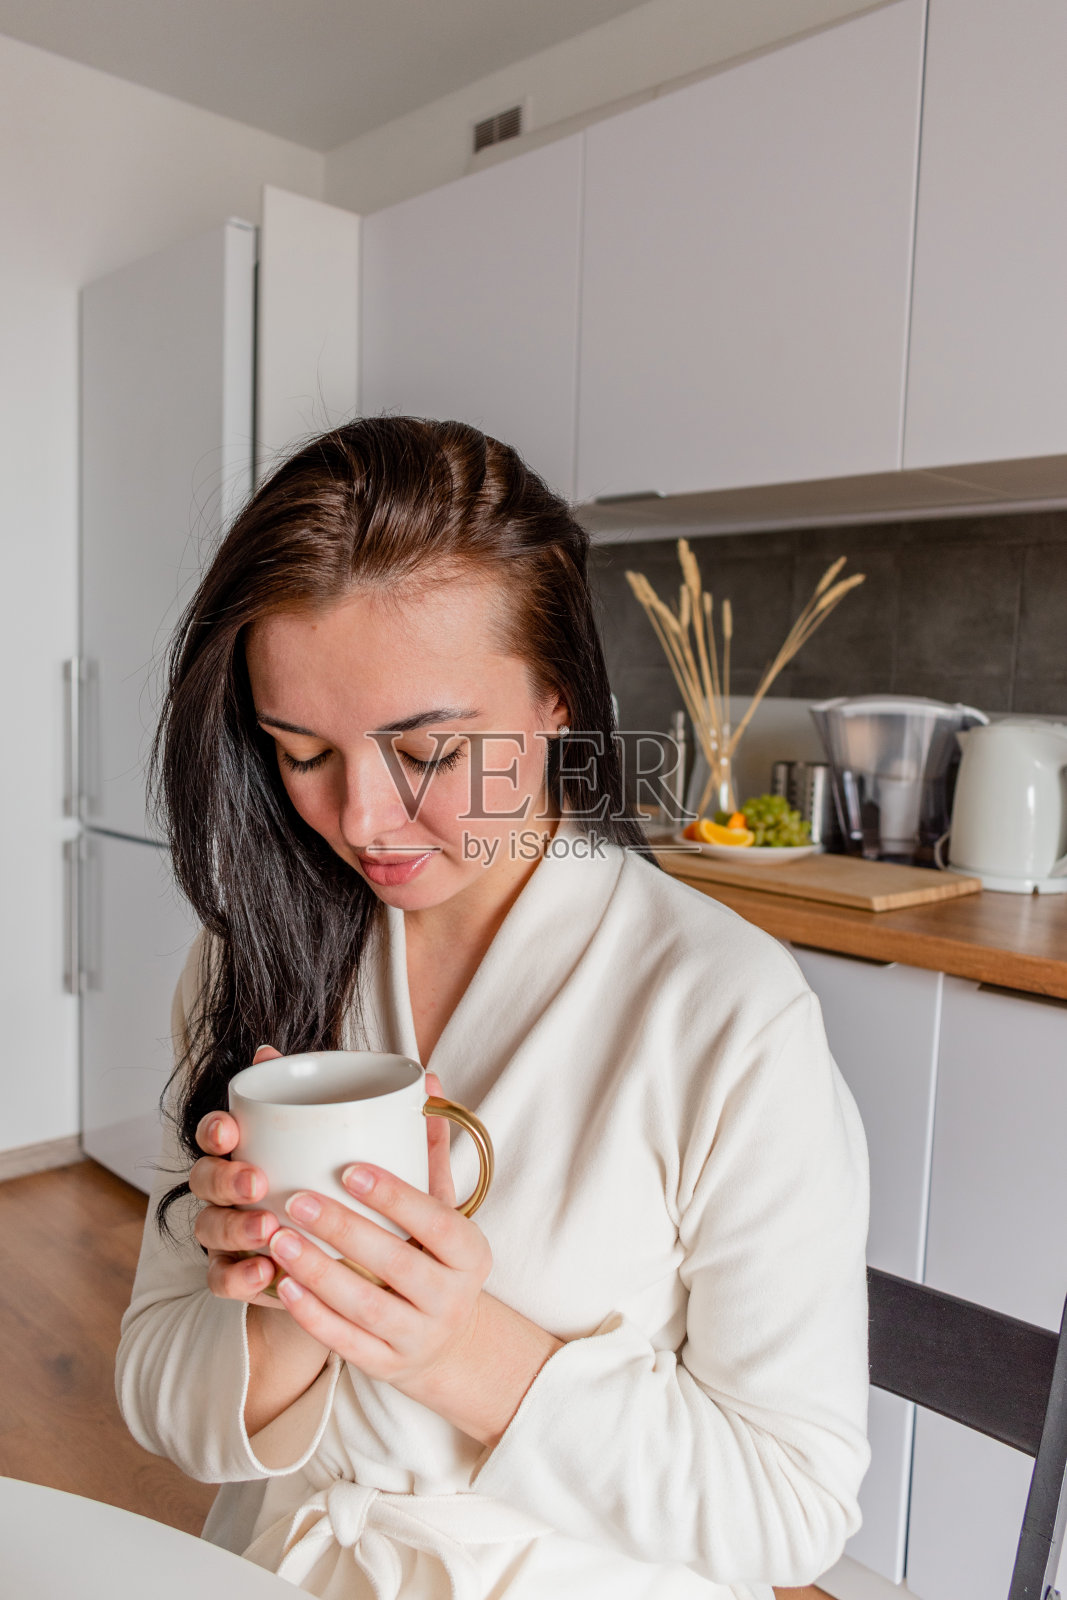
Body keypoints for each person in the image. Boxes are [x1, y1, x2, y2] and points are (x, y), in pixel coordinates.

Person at [115, 416, 871, 1600]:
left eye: (426, 750)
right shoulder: (247, 964)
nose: (360, 819)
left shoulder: (723, 1013)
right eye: (300, 751)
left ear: (555, 695)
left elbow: (792, 1507)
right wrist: (297, 1298)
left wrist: (460, 1350)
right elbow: (159, 1394)